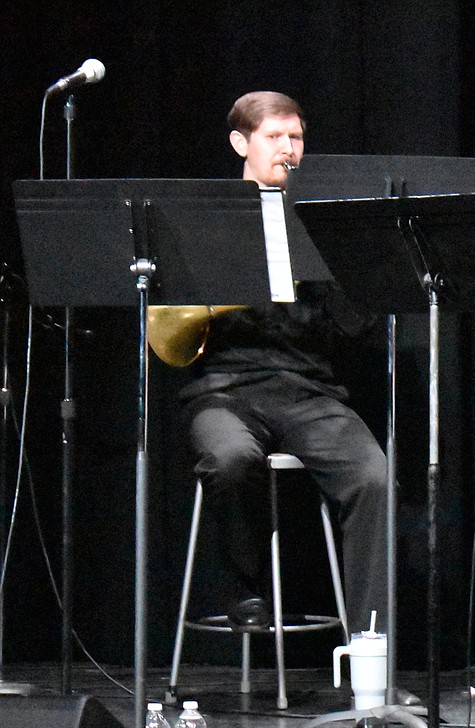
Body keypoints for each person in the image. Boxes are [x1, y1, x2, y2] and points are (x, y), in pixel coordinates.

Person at [179, 91, 387, 631]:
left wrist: (359, 271)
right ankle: (244, 589)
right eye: (274, 137)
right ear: (240, 143)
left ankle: (371, 652)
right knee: (228, 459)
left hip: (306, 390)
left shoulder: (317, 220)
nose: (288, 149)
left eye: (295, 138)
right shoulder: (208, 220)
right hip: (225, 386)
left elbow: (351, 329)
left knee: (373, 478)